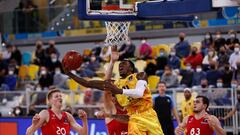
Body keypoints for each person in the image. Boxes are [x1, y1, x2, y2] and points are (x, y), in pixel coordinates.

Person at [63, 47, 164, 135]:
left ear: (132, 68)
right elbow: (87, 83)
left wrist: (119, 91)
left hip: (149, 116)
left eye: (124, 63)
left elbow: (139, 93)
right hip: (134, 119)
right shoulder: (115, 84)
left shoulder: (140, 75)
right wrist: (70, 74)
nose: (121, 65)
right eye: (119, 64)